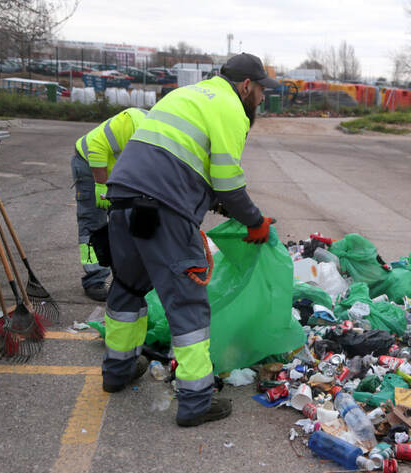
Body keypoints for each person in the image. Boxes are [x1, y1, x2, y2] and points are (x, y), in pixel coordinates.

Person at [101, 53, 279, 427]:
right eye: (262, 90)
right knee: (188, 303)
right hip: (164, 210)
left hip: (122, 201)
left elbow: (189, 168)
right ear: (246, 86)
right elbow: (229, 182)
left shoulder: (188, 96)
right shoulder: (231, 109)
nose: (263, 98)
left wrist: (228, 209)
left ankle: (116, 371)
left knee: (128, 288)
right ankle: (196, 401)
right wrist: (255, 222)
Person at [71, 107, 148, 301]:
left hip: (117, 173)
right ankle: (94, 279)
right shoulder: (130, 122)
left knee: (124, 222)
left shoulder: (161, 136)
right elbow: (96, 145)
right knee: (92, 224)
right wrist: (100, 185)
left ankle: (126, 277)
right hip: (89, 165)